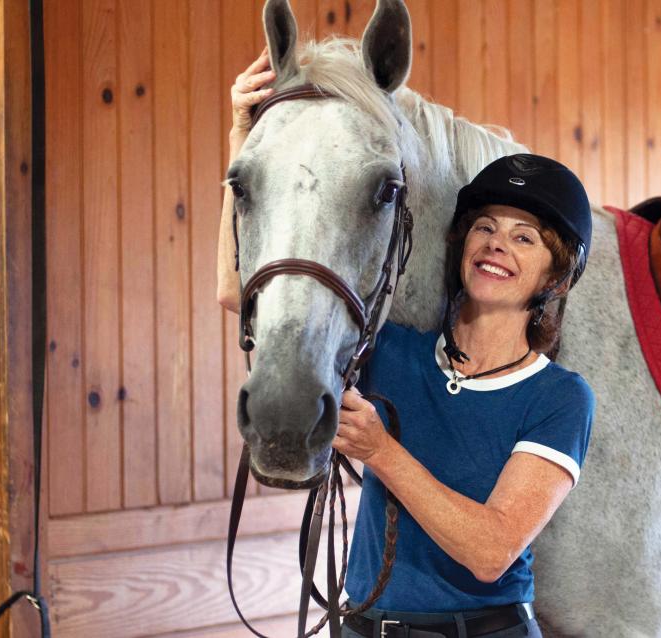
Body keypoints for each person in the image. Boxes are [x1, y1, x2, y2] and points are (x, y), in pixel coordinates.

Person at [218, 52, 595, 638]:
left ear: (555, 275)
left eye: (524, 238)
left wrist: (382, 452)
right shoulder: (395, 353)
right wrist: (245, 141)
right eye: (485, 228)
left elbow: (491, 550)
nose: (497, 245)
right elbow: (231, 289)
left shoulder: (560, 396)